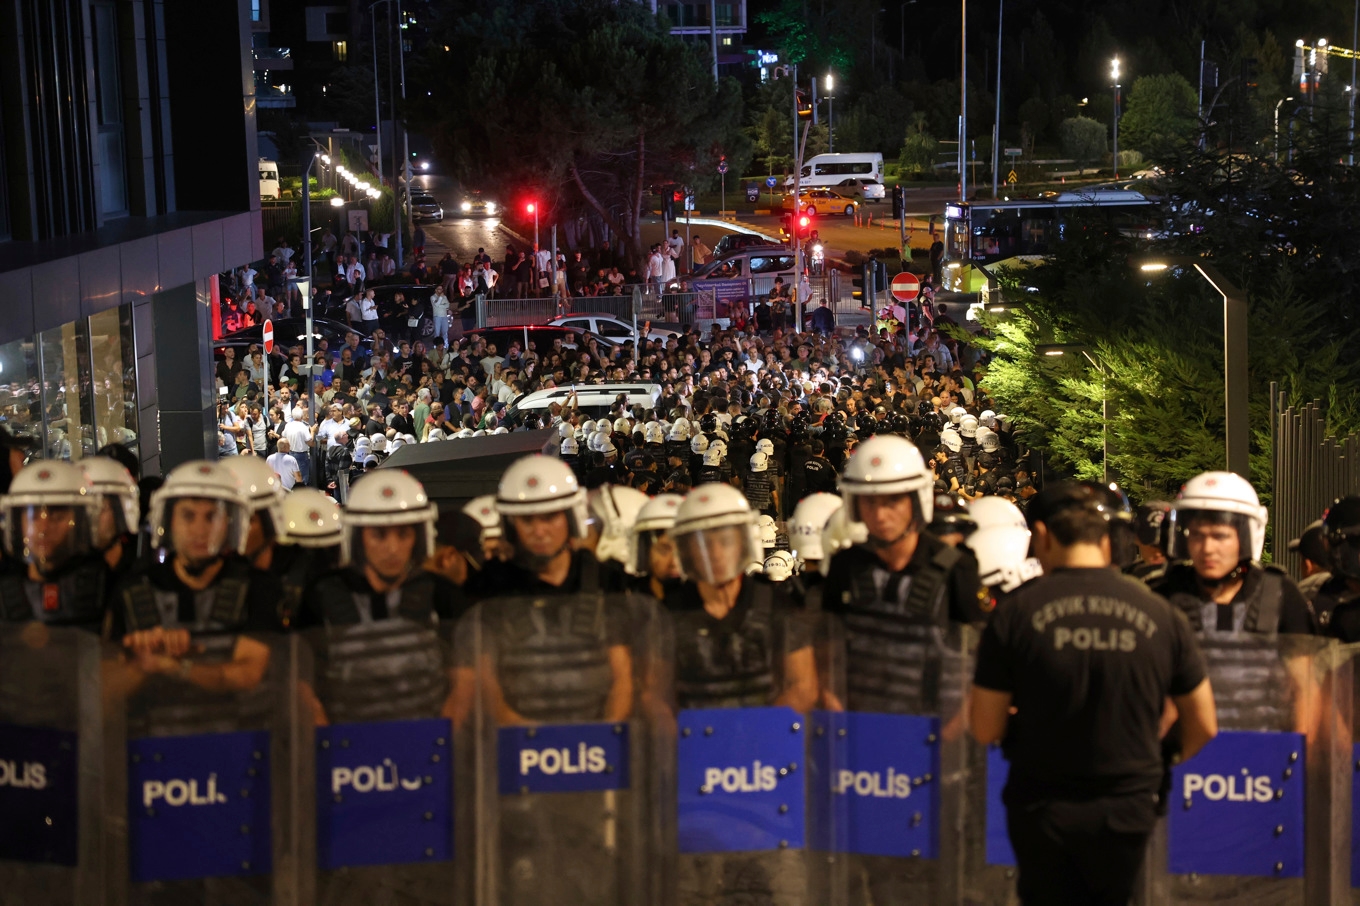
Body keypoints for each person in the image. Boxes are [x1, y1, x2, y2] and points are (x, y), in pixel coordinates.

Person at [970, 481, 1217, 906]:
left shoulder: (1014, 615)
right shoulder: (1162, 615)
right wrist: (1157, 758)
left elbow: (984, 726)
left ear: (1042, 535)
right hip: (1129, 802)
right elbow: (1204, 724)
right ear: (1107, 539)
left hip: (1042, 802)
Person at [111, 461, 284, 736]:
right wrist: (143, 663)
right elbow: (105, 690)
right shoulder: (133, 589)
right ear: (169, 520)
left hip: (240, 746)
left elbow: (247, 676)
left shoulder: (258, 587)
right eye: (188, 516)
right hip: (154, 751)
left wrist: (173, 666)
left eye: (212, 517)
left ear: (229, 523)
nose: (200, 530)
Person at [1148, 471, 1317, 732]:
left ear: (1246, 536)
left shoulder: (1280, 594)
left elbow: (1305, 689)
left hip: (1264, 751)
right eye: (1197, 535)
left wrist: (1299, 750)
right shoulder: (1165, 595)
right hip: (1184, 752)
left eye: (1220, 536)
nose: (1207, 548)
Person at [0, 461, 114, 633]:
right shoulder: (4, 591)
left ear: (81, 522)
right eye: (33, 517)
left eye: (57, 517)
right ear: (17, 523)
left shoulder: (108, 587)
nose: (43, 529)